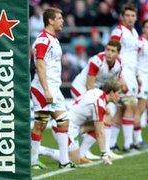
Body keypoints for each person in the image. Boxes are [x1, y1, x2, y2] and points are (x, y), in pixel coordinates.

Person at [30, 7, 75, 169]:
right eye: (59, 18)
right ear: (50, 20)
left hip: (53, 87)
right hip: (44, 87)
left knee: (53, 123)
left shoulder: (52, 39)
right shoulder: (43, 40)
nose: (63, 21)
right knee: (51, 122)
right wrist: (46, 89)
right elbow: (40, 66)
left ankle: (62, 161)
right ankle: (38, 161)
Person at [68, 78, 121, 165]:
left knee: (102, 122)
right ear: (111, 93)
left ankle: (81, 154)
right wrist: (104, 154)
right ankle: (42, 150)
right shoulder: (99, 102)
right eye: (118, 93)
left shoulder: (97, 92)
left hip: (72, 124)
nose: (119, 96)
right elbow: (100, 132)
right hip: (66, 126)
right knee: (70, 159)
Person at [109, 3, 139, 152]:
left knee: (122, 109)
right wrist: (120, 77)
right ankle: (127, 144)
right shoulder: (118, 31)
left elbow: (134, 56)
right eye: (127, 15)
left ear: (136, 17)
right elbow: (111, 52)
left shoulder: (134, 33)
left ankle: (112, 144)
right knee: (129, 106)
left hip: (132, 73)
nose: (130, 18)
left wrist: (137, 76)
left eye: (133, 15)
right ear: (122, 17)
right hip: (123, 73)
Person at [133, 19, 148, 149]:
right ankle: (137, 140)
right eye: (147, 27)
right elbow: (134, 59)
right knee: (140, 109)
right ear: (143, 29)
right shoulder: (140, 43)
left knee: (142, 108)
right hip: (141, 78)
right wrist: (136, 75)